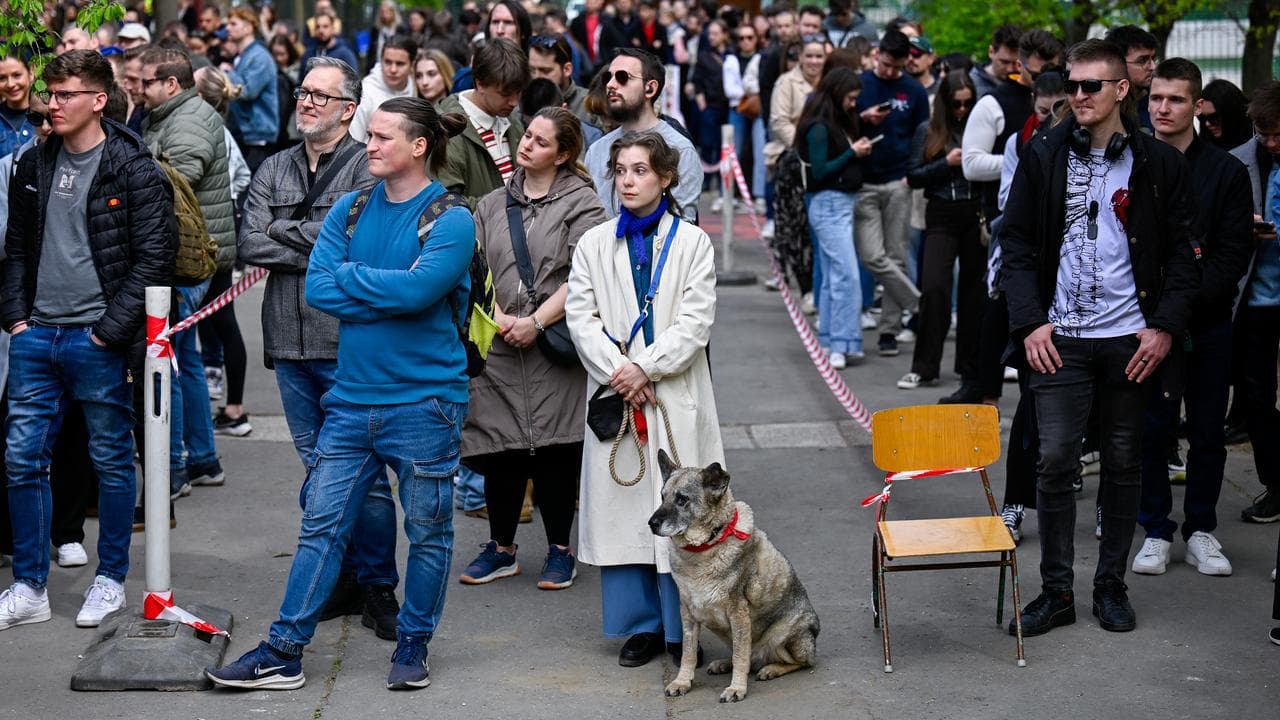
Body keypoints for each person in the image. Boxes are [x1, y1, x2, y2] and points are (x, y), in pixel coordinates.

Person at [206, 98, 473, 691]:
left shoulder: (451, 217)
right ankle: (283, 650)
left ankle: (413, 645)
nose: (369, 146)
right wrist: (390, 288)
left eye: (380, 137)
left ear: (419, 145)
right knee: (321, 526)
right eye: (368, 135)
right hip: (351, 402)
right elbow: (321, 291)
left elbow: (419, 292)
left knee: (429, 531)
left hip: (425, 403)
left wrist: (369, 283)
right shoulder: (350, 210)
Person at [1002, 39, 1199, 638]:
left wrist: (1163, 327)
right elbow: (1014, 246)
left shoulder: (1159, 164)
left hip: (1128, 341)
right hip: (1059, 339)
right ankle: (1056, 591)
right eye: (1072, 84)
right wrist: (1032, 321)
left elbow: (1185, 259)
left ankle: (1110, 585)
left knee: (1122, 461)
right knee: (1056, 460)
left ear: (1121, 90)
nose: (1078, 96)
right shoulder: (1044, 154)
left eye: (1092, 86)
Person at [0, 50, 175, 632]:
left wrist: (107, 332)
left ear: (98, 100)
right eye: (49, 93)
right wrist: (17, 320)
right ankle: (29, 586)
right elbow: (18, 248)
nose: (52, 103)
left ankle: (109, 579)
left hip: (97, 339)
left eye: (64, 93)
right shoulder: (34, 162)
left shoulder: (134, 167)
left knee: (110, 459)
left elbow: (154, 259)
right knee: (23, 459)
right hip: (36, 335)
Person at [238, 56, 403, 641]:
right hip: (287, 342)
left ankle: (379, 585)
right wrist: (314, 241)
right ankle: (346, 577)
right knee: (317, 470)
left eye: (320, 96)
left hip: (347, 343)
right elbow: (250, 241)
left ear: (348, 109)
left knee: (367, 473)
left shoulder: (368, 168)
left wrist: (292, 236)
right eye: (303, 92)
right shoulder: (274, 167)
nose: (306, 102)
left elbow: (359, 238)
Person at [566, 130, 723, 668]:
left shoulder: (692, 242)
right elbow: (581, 319)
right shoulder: (592, 243)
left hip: (673, 390)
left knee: (682, 506)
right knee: (623, 506)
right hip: (620, 392)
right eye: (621, 171)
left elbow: (696, 320)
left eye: (640, 170)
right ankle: (642, 627)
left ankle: (687, 626)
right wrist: (621, 372)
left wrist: (646, 366)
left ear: (665, 177)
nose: (628, 181)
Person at [459, 107, 607, 589]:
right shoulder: (491, 203)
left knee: (556, 451)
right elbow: (474, 265)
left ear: (563, 154)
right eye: (528, 137)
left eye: (541, 142)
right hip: (500, 342)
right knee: (500, 448)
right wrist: (499, 317)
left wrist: (537, 322)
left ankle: (561, 551)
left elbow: (587, 273)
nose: (527, 146)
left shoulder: (582, 203)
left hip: (555, 343)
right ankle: (501, 548)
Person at [1128, 58, 1253, 577]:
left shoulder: (1224, 170)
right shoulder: (1130, 160)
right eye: (1156, 97)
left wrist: (1178, 309)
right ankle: (1155, 529)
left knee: (1206, 431)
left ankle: (1201, 528)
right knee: (1150, 430)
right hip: (1142, 322)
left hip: (1206, 322)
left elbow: (1231, 255)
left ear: (1197, 105)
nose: (1163, 108)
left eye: (1175, 99)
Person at [137, 47, 233, 498]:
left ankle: (173, 467)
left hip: (187, 260)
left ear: (170, 84)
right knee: (186, 359)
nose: (138, 88)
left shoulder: (188, 120)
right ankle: (203, 458)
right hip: (193, 258)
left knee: (167, 363)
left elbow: (177, 183)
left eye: (146, 81)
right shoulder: (171, 115)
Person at [899, 71, 982, 391]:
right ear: (945, 104)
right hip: (941, 212)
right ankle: (924, 365)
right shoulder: (928, 129)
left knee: (975, 294)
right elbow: (913, 175)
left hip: (974, 212)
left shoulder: (980, 128)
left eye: (967, 103)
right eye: (956, 104)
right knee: (934, 287)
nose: (962, 109)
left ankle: (970, 366)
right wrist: (945, 163)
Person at [853, 29, 926, 358]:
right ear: (876, 54)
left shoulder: (913, 90)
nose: (889, 72)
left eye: (895, 68)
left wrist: (912, 174)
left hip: (899, 181)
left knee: (896, 256)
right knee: (872, 256)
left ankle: (889, 330)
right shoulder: (861, 85)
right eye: (884, 65)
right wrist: (862, 118)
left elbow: (922, 134)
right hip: (864, 181)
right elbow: (839, 125)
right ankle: (917, 304)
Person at [797, 67, 872, 369]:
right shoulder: (819, 127)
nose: (854, 104)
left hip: (836, 204)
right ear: (839, 94)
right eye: (851, 98)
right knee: (846, 275)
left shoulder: (830, 122)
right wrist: (852, 153)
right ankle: (840, 342)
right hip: (829, 203)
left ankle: (831, 341)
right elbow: (820, 172)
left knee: (833, 276)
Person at [1232, 81, 1280, 525]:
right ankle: (1275, 484)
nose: (1271, 143)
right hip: (1256, 300)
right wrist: (1242, 229)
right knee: (1258, 398)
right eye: (1263, 134)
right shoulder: (1240, 162)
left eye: (1278, 134)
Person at [585, 48, 702, 221]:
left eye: (622, 77)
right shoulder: (597, 150)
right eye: (607, 77)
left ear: (650, 88)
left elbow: (682, 233)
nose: (610, 84)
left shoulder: (680, 150)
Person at [437, 38, 529, 209]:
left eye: (519, 92)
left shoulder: (512, 123)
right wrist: (509, 202)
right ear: (480, 84)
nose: (514, 102)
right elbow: (446, 205)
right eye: (506, 94)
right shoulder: (448, 130)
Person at [222, 6, 279, 172]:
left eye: (233, 23)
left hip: (258, 140)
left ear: (248, 28)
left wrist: (227, 72)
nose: (227, 28)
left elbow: (246, 91)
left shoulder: (260, 56)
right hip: (245, 136)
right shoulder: (243, 56)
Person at [350, 35, 418, 142]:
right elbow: (353, 140)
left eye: (400, 64)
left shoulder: (416, 87)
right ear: (380, 61)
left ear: (412, 65)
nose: (393, 69)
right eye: (388, 62)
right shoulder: (365, 94)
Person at [529, 34, 596, 128]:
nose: (537, 77)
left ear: (567, 69)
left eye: (545, 71)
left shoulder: (591, 105)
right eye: (532, 70)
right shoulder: (523, 103)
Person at [1105, 25, 1158, 134]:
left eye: (1153, 59)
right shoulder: (1101, 106)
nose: (1153, 66)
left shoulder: (1160, 105)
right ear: (1118, 63)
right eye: (1143, 60)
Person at [570, 0, 627, 76]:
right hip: (584, 64)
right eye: (587, 1)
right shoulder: (577, 21)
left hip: (603, 61)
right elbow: (573, 39)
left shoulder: (608, 20)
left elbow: (617, 41)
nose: (589, 3)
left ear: (601, 2)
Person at [969, 25, 1020, 99]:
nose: (1010, 69)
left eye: (1016, 63)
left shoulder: (1025, 83)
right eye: (1004, 62)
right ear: (991, 52)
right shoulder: (971, 84)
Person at [1199, 79, 1251, 151]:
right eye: (1202, 118)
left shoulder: (1257, 143)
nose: (1207, 123)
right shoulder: (1202, 146)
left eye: (1214, 118)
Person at [0, 57, 34, 161]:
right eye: (2, 78)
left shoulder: (48, 116)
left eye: (17, 75)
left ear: (31, 73)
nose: (10, 84)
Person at [366, 0, 410, 74]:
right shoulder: (376, 30)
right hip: (377, 67)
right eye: (382, 12)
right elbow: (371, 52)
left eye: (388, 12)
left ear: (394, 13)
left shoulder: (401, 30)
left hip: (395, 68)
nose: (384, 15)